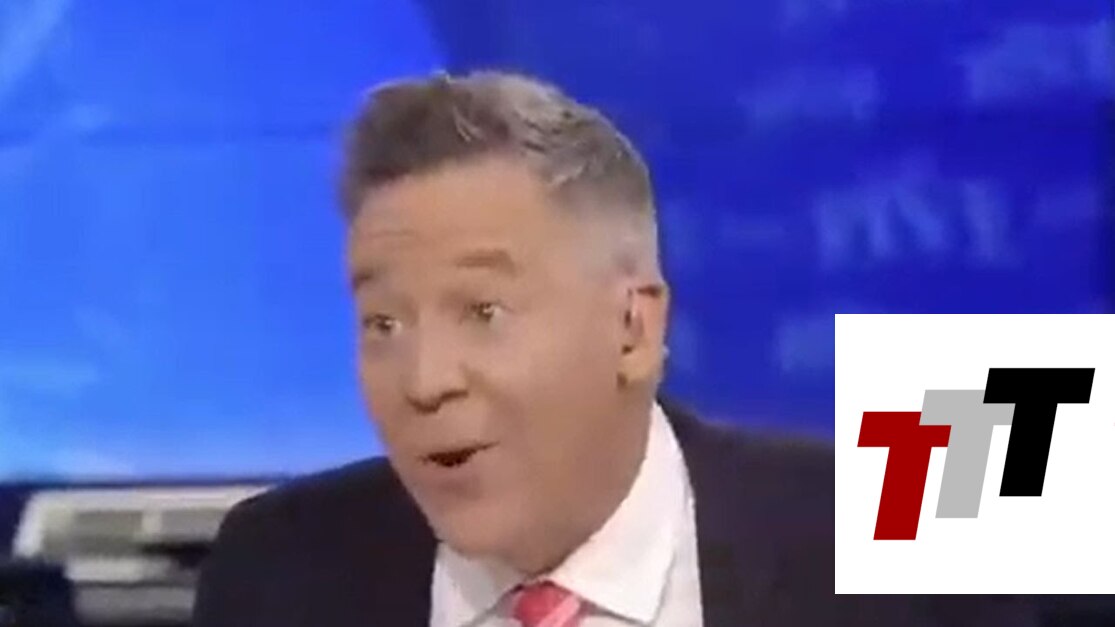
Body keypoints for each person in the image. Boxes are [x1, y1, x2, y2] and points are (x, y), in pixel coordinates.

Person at [191, 71, 1038, 627]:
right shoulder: (277, 573)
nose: (425, 380)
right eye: (383, 324)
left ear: (632, 327)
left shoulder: (903, 542)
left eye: (483, 311)